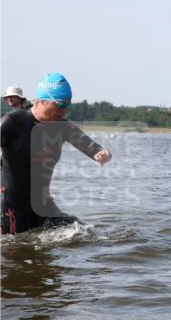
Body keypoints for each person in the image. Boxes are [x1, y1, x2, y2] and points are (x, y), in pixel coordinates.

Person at [1, 73, 112, 235]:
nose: (65, 110)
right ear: (43, 100)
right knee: (12, 253)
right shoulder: (13, 122)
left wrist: (100, 153)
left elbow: (90, 146)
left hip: (44, 207)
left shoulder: (62, 127)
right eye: (60, 104)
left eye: (68, 105)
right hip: (11, 209)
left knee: (84, 232)